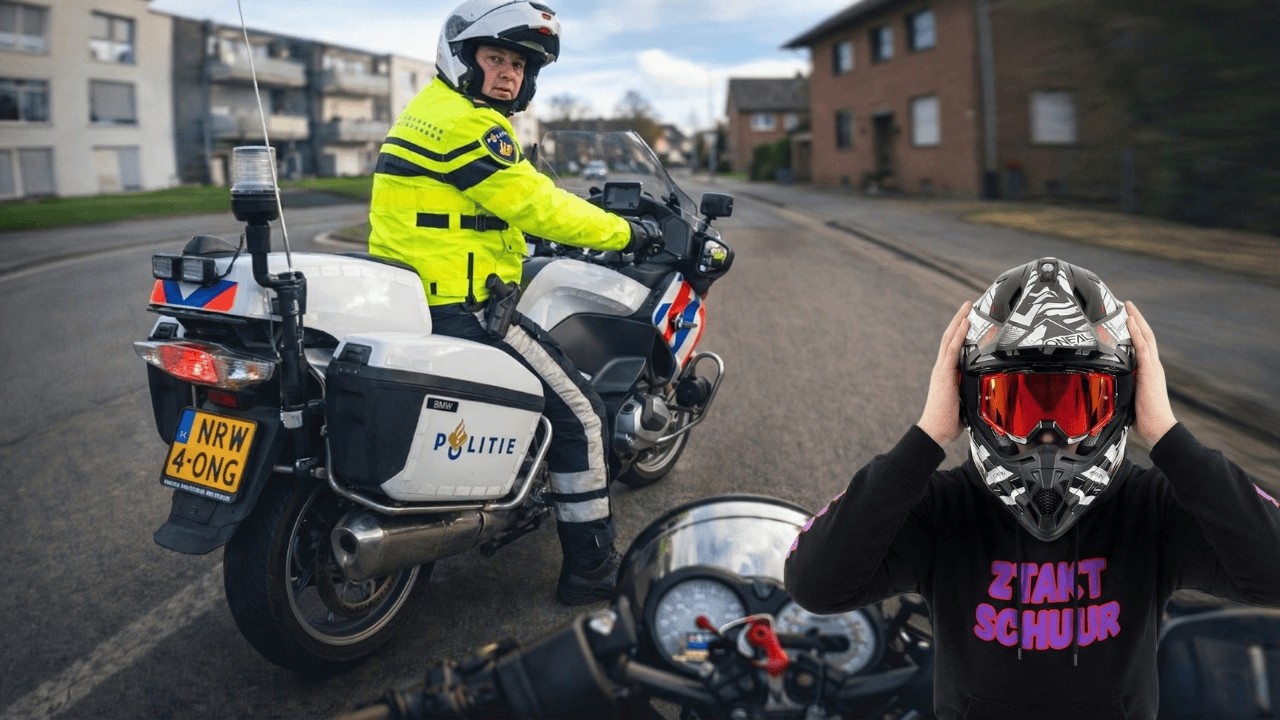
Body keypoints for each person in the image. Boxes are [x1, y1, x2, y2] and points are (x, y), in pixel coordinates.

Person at [784, 257, 1280, 719]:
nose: (1047, 435)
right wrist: (926, 437)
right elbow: (816, 583)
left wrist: (1168, 435)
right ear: (967, 400)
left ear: (1127, 400)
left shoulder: (1152, 508)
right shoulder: (941, 510)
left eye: (1076, 405)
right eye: (1016, 406)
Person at [367, 0, 658, 605]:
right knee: (582, 416)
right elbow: (537, 204)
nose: (508, 74)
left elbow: (487, 209)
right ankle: (591, 567)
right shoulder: (470, 123)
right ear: (462, 58)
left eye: (519, 66)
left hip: (413, 298)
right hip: (462, 309)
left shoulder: (428, 114)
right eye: (496, 58)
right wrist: (627, 233)